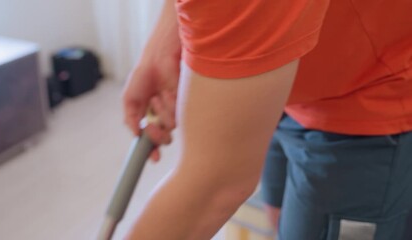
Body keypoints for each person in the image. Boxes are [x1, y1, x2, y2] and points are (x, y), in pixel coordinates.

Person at [122, 0, 412, 239]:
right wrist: (161, 46)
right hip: (282, 77)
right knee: (278, 213)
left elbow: (216, 188)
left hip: (371, 94)